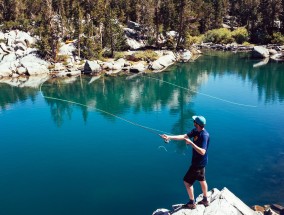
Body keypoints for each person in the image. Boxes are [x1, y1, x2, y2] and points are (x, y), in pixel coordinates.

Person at [160, 115, 210, 209]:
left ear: (197, 124)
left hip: (197, 164)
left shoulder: (204, 135)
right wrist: (169, 137)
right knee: (202, 180)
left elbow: (203, 151)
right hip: (202, 163)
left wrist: (191, 143)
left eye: (194, 121)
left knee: (187, 182)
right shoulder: (195, 131)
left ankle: (192, 203)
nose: (193, 121)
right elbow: (184, 136)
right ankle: (205, 199)